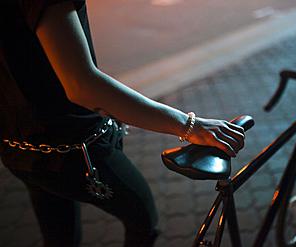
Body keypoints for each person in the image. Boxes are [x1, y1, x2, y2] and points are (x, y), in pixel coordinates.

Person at [0, 0, 245, 246]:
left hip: (17, 152)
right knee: (143, 216)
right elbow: (82, 87)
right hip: (78, 152)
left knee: (58, 236)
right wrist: (190, 125)